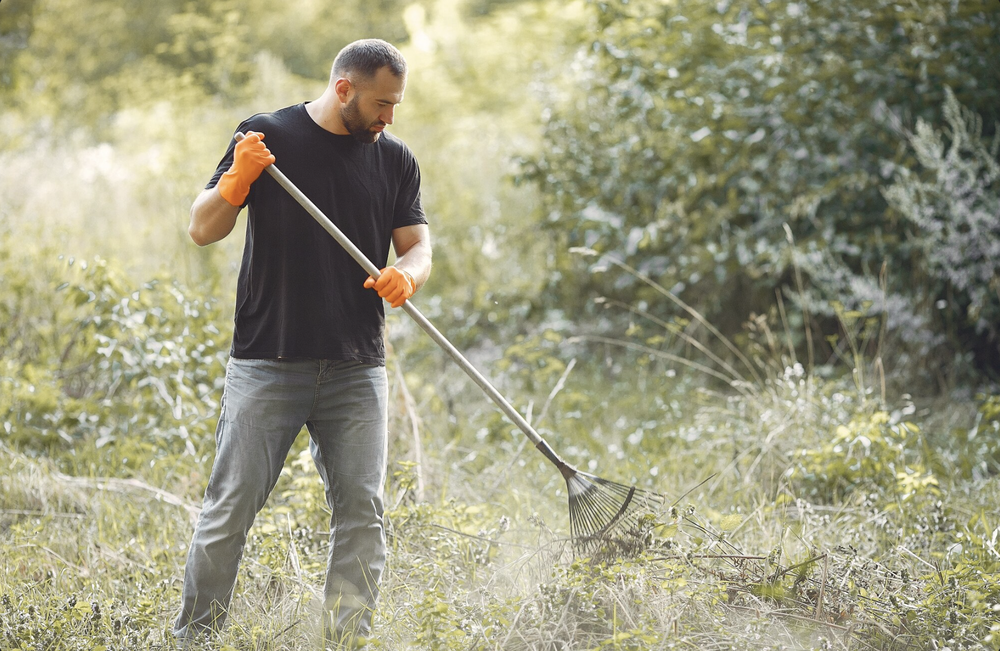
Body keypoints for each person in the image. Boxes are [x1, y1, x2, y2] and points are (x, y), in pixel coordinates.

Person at [174, 38, 431, 647]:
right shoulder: (268, 136)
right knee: (230, 510)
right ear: (344, 89)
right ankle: (195, 640)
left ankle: (346, 641)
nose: (389, 116)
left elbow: (418, 245)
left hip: (357, 367)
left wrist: (407, 274)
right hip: (269, 360)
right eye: (381, 103)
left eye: (396, 104)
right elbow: (202, 229)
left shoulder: (395, 159)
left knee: (363, 517)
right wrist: (237, 179)